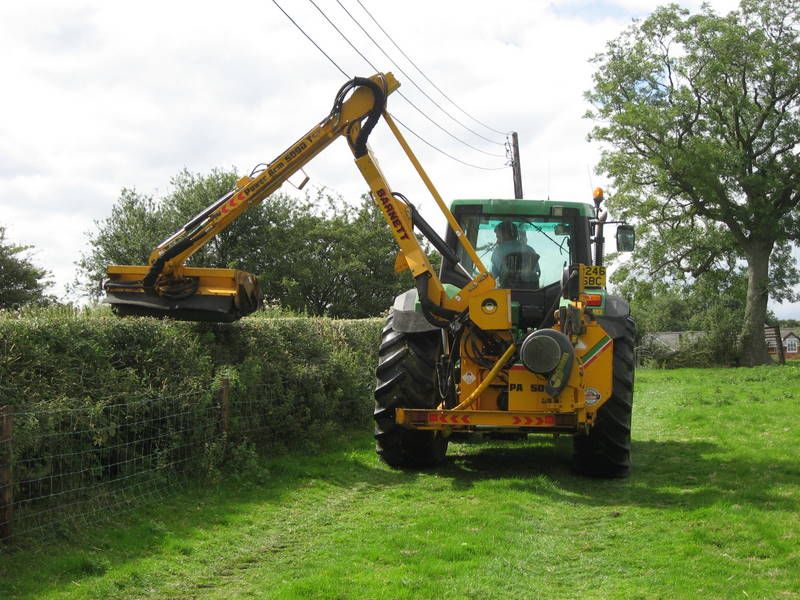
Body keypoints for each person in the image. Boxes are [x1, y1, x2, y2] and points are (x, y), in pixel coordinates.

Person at [491, 220, 540, 288]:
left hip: (507, 294)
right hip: (531, 293)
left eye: (498, 237)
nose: (497, 241)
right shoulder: (530, 250)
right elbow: (536, 273)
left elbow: (492, 277)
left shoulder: (498, 251)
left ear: (505, 235)